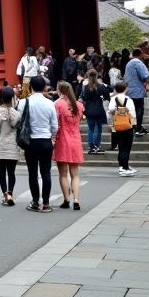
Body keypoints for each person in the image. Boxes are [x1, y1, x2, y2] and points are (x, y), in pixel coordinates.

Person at [23, 75, 58, 212]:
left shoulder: (24, 102)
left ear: (30, 86)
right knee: (46, 172)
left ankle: (35, 201)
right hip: (45, 140)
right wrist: (52, 137)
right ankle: (47, 203)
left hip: (30, 141)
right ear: (44, 87)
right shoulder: (50, 103)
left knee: (32, 172)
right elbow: (55, 126)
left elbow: (20, 122)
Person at [54, 79, 85, 210]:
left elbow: (54, 123)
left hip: (62, 140)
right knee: (75, 174)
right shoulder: (79, 105)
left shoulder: (57, 104)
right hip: (75, 140)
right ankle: (76, 200)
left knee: (63, 174)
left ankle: (67, 199)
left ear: (60, 90)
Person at [0, 86, 21, 206]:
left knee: (2, 173)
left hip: (1, 145)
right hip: (12, 146)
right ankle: (10, 193)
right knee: (11, 172)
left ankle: (4, 195)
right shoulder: (17, 114)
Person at [108, 81, 137, 177]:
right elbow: (132, 114)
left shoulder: (113, 99)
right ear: (126, 89)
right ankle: (124, 167)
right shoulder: (128, 99)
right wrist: (134, 126)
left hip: (117, 125)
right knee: (126, 147)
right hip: (127, 125)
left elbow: (110, 111)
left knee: (121, 147)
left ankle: (123, 165)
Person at [80, 69, 109, 155]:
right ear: (96, 76)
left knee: (91, 129)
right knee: (99, 129)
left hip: (89, 110)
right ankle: (97, 146)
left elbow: (84, 97)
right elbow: (108, 92)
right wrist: (102, 97)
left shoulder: (86, 87)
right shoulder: (100, 86)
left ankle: (91, 147)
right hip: (99, 109)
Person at [124, 48, 149, 135]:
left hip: (129, 90)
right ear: (140, 54)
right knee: (139, 109)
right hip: (137, 90)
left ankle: (133, 127)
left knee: (132, 110)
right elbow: (144, 75)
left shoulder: (128, 64)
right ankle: (138, 128)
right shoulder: (138, 63)